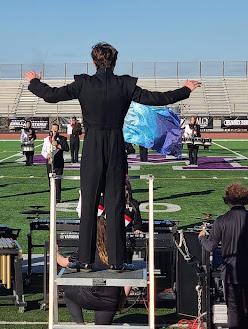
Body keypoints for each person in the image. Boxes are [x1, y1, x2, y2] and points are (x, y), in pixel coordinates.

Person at [25, 42, 200, 270]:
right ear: (115, 62)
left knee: (88, 202)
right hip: (117, 144)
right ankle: (117, 261)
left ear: (93, 62)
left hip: (93, 144)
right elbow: (157, 98)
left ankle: (85, 259)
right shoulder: (125, 84)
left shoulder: (83, 83)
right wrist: (185, 89)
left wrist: (34, 82)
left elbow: (51, 95)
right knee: (115, 203)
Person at [57, 215, 130, 329]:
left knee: (68, 291)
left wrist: (54, 252)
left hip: (88, 296)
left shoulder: (86, 251)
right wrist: (122, 299)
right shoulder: (118, 251)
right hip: (111, 299)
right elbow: (128, 279)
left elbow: (63, 263)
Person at [199, 183, 248, 329]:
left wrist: (202, 237)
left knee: (234, 312)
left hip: (231, 273)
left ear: (228, 200)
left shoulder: (222, 220)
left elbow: (211, 246)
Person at [41, 123, 69, 203]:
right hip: (50, 162)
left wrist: (58, 145)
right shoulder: (47, 139)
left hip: (59, 162)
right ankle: (52, 197)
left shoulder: (62, 138)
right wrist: (47, 155)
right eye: (53, 129)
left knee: (58, 181)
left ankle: (57, 198)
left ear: (58, 130)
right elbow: (43, 151)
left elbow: (67, 148)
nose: (54, 130)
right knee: (50, 180)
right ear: (50, 129)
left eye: (56, 129)